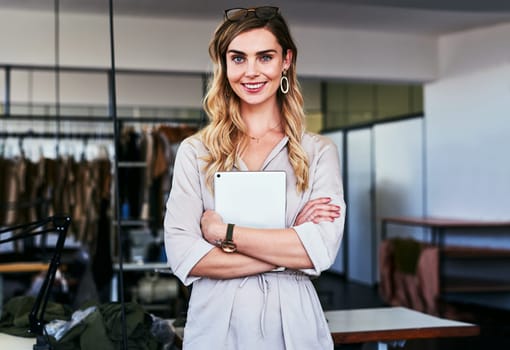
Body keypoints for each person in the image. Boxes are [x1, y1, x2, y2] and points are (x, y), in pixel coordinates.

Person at [164, 6, 345, 349]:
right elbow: (184, 255)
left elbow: (319, 250)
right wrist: (289, 243)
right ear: (224, 64)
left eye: (265, 57)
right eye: (238, 58)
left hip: (295, 328)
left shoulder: (318, 152)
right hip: (216, 328)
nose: (251, 71)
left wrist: (223, 233)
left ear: (286, 61)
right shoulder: (195, 151)